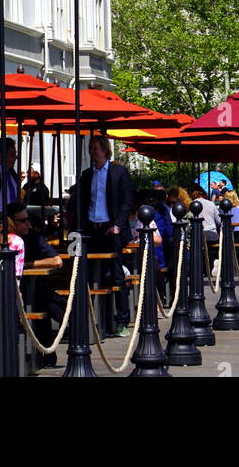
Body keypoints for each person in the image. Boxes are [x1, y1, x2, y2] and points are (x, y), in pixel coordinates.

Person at [78, 134, 135, 337]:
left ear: (105, 150)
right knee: (91, 273)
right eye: (91, 148)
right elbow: (82, 202)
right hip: (93, 229)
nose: (93, 152)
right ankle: (94, 319)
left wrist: (118, 225)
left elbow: (128, 200)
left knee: (117, 275)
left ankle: (122, 320)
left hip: (112, 229)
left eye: (96, 148)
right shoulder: (86, 175)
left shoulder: (118, 172)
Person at [7, 201, 63, 366]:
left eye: (28, 219)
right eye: (23, 221)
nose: (28, 224)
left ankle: (47, 355)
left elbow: (57, 261)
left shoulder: (34, 236)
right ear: (11, 222)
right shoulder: (2, 240)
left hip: (36, 288)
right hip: (16, 290)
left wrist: (27, 264)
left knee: (45, 304)